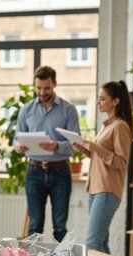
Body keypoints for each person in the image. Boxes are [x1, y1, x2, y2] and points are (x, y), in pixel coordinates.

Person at [14, 66, 80, 242]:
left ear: (55, 84)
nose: (42, 92)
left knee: (60, 227)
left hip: (60, 173)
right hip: (34, 171)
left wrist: (56, 145)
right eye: (38, 88)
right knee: (35, 226)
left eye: (47, 88)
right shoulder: (26, 110)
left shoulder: (68, 110)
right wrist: (19, 147)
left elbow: (75, 144)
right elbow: (15, 140)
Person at [73, 81, 133, 254]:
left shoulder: (120, 127)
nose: (98, 102)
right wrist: (87, 150)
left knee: (92, 242)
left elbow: (121, 162)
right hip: (96, 190)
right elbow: (103, 158)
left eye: (102, 99)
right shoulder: (107, 126)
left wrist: (94, 147)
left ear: (115, 101)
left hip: (106, 191)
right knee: (101, 241)